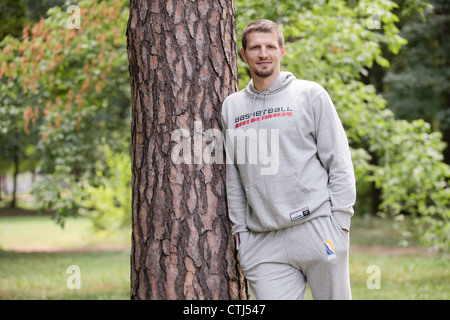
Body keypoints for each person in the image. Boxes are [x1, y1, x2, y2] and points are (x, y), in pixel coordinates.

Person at [221, 19, 356, 300]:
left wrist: (341, 223)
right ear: (243, 54)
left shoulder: (310, 94)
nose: (263, 54)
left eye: (270, 46)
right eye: (255, 47)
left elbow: (339, 160)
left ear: (282, 51)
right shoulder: (232, 107)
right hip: (262, 241)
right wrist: (241, 235)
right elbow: (233, 176)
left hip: (318, 227)